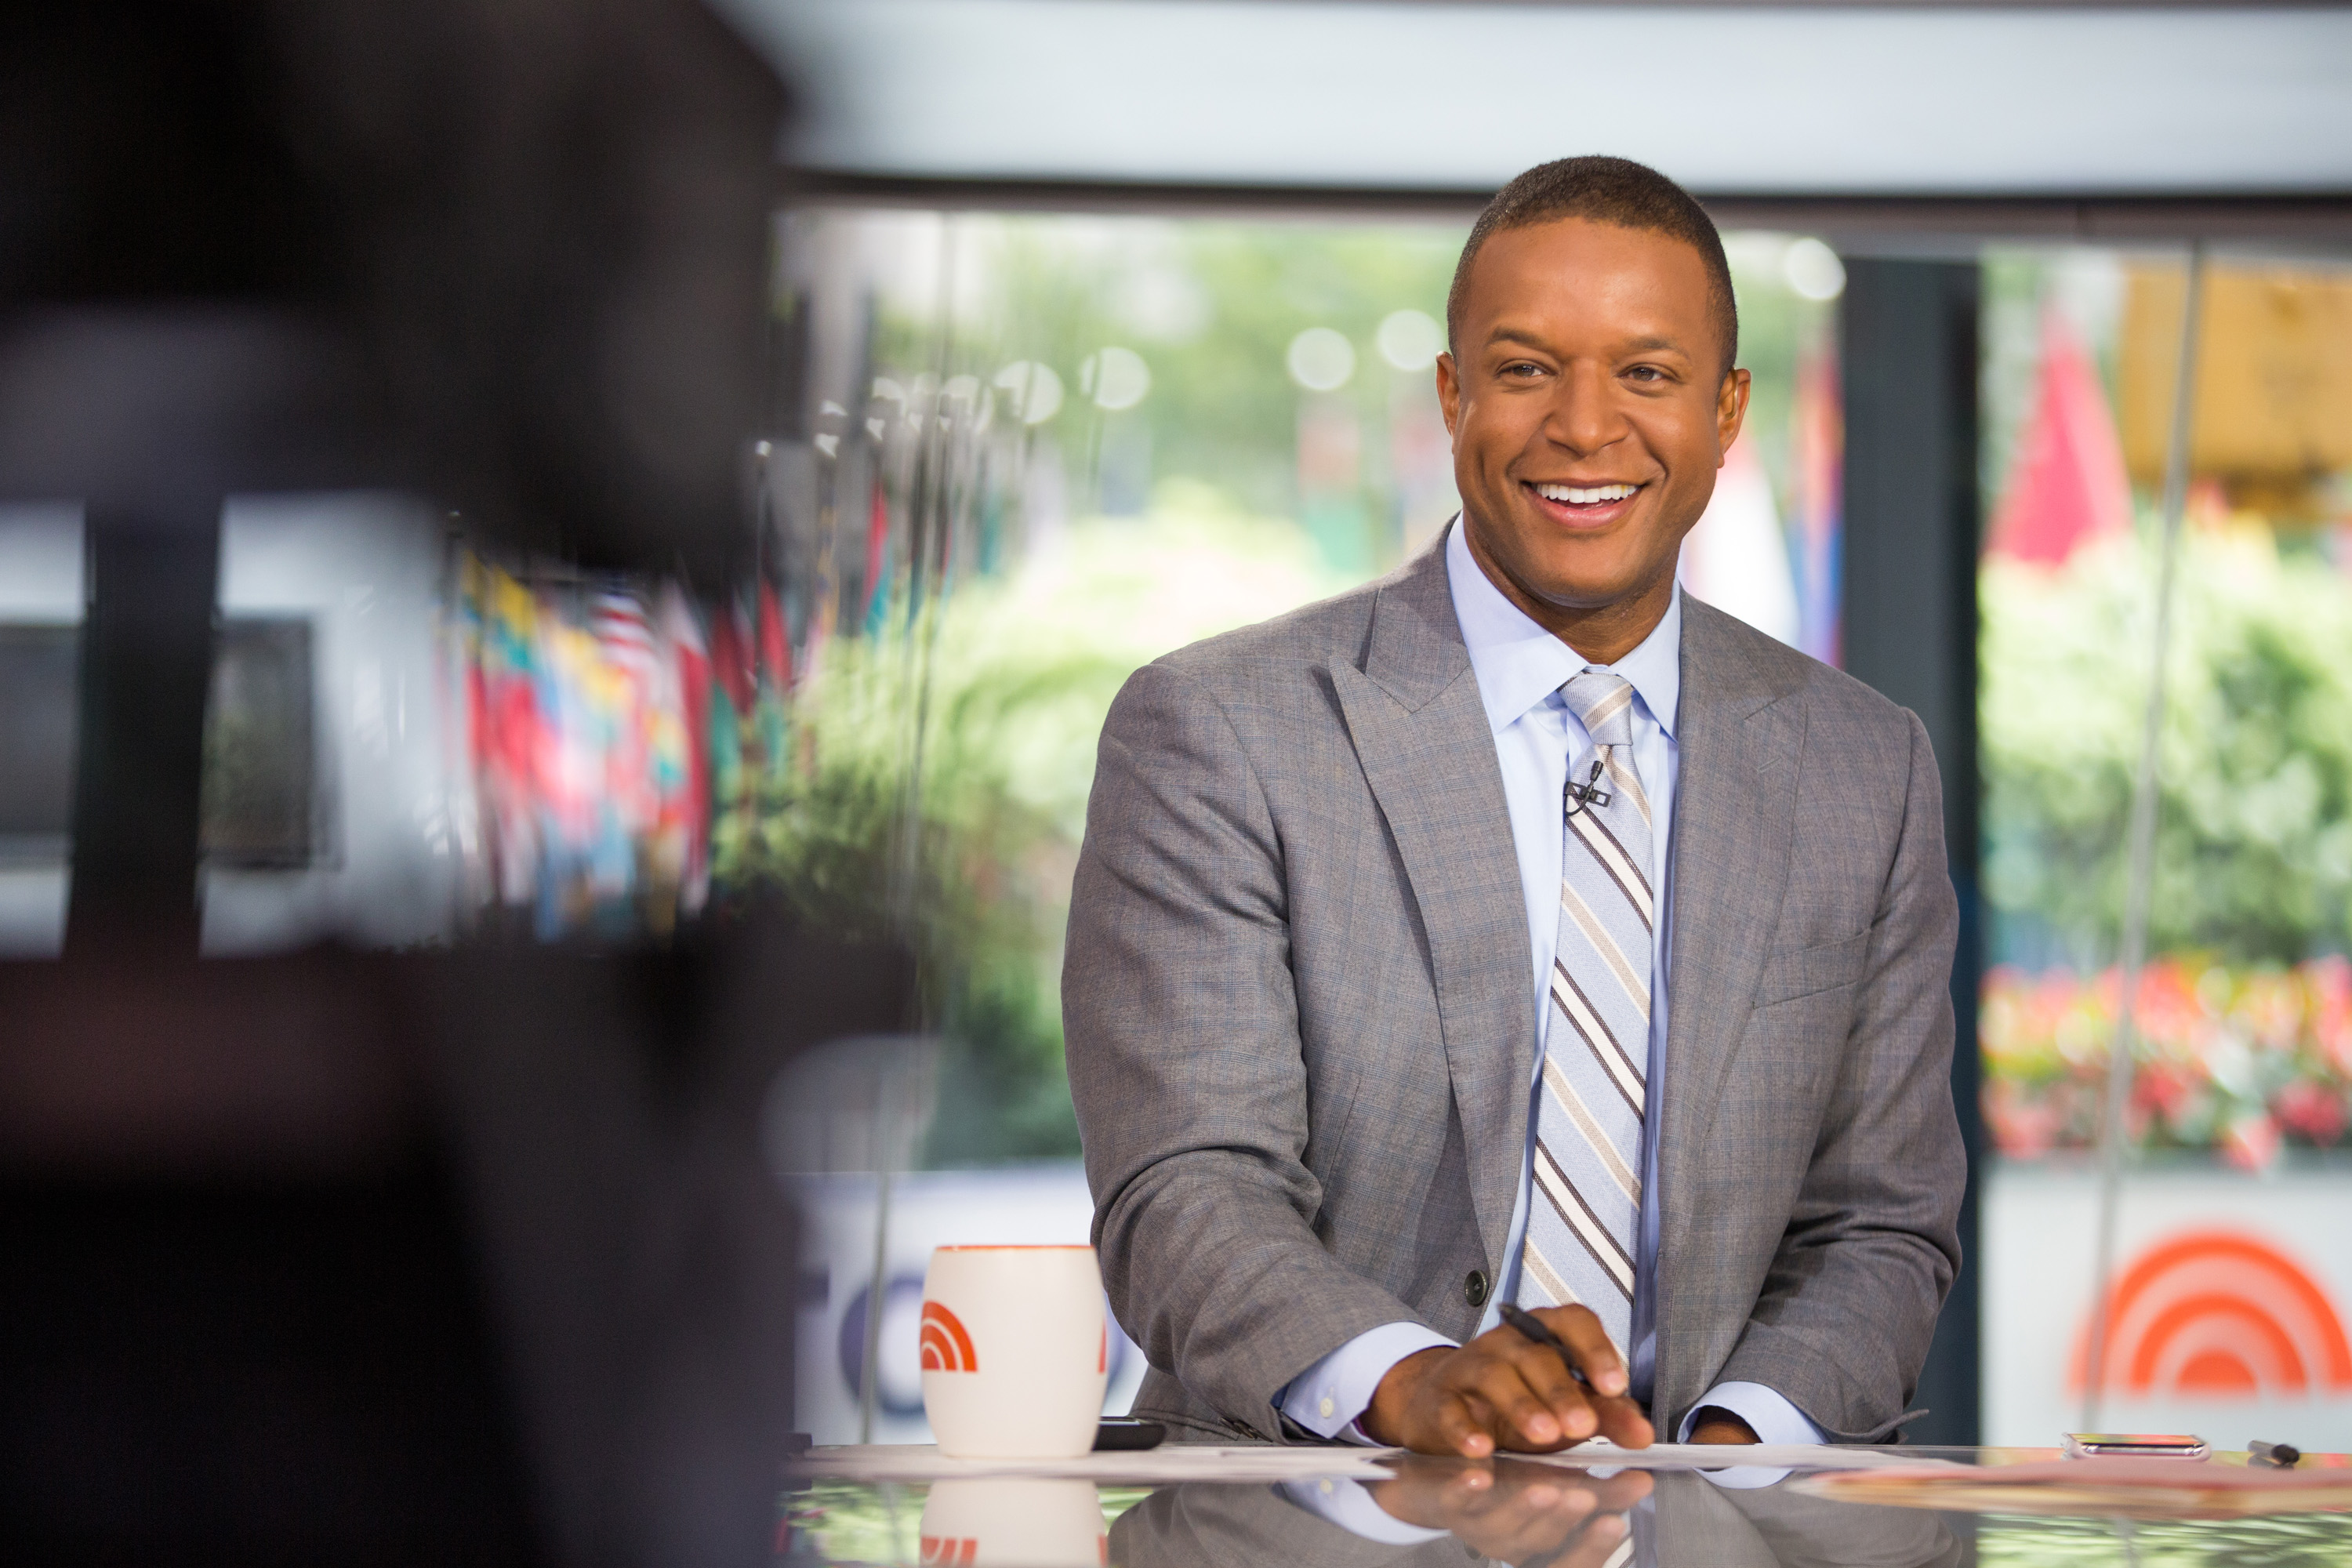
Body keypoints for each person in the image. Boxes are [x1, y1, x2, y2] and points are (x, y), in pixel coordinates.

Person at [1064, 155, 1962, 1457]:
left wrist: (1712, 1472)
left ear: (1726, 411)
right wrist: (1418, 1386)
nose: (1585, 428)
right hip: (1306, 1523)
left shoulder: (1863, 767)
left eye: (1647, 373)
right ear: (1453, 392)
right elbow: (1186, 1186)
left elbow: (1878, 1224)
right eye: (1528, 368)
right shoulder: (1218, 730)